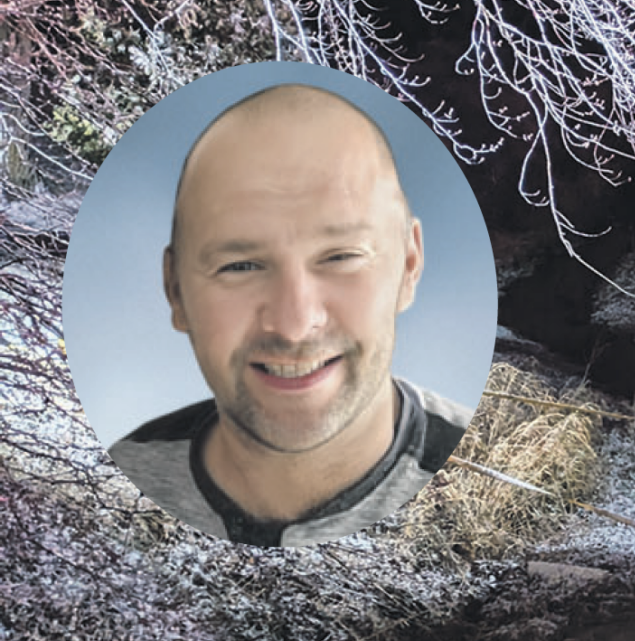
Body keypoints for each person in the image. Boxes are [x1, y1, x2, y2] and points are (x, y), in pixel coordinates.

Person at [108, 83, 472, 547]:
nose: (295, 323)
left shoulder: (480, 474)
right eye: (240, 266)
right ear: (175, 290)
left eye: (340, 257)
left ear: (408, 266)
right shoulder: (104, 486)